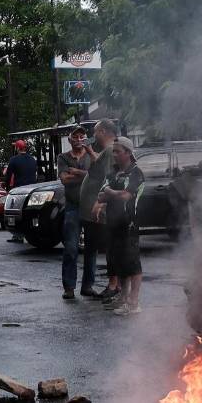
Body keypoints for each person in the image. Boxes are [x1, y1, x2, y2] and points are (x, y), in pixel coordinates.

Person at [95, 137, 145, 315]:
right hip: (113, 222)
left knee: (132, 263)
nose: (114, 155)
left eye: (117, 151)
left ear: (128, 153)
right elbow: (100, 196)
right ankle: (123, 297)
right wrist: (111, 193)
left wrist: (110, 192)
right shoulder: (113, 172)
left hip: (129, 224)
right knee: (119, 261)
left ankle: (134, 302)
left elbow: (126, 196)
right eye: (113, 151)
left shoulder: (136, 173)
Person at [80, 119, 119, 299]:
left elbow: (110, 178)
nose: (93, 135)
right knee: (94, 246)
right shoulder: (106, 151)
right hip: (92, 210)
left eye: (95, 132)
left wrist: (101, 202)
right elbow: (101, 168)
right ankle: (104, 284)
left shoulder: (111, 150)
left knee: (110, 247)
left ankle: (114, 285)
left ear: (103, 131)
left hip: (100, 211)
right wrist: (89, 151)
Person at [57, 126, 93, 299]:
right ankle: (69, 287)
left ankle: (88, 286)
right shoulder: (63, 157)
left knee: (91, 248)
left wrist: (77, 172)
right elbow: (64, 179)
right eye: (75, 136)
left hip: (91, 206)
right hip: (72, 206)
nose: (79, 139)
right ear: (70, 139)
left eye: (82, 136)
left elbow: (97, 176)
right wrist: (87, 175)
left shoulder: (92, 155)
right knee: (71, 247)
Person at [4, 139, 39, 243]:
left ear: (17, 148)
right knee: (29, 213)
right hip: (32, 189)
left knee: (17, 213)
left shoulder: (14, 160)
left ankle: (18, 235)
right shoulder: (32, 159)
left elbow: (8, 175)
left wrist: (7, 188)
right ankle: (31, 233)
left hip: (19, 190)